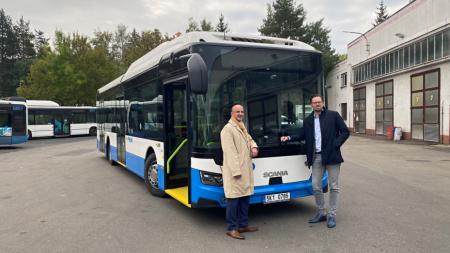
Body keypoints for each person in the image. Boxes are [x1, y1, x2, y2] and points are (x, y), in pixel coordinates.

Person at [281, 94, 349, 228]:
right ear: (311, 105)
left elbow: (345, 132)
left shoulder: (333, 115)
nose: (317, 104)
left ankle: (332, 215)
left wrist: (336, 145)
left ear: (323, 103)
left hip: (332, 156)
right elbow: (301, 135)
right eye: (314, 102)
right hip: (316, 157)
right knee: (316, 186)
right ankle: (322, 212)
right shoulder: (308, 120)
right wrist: (288, 137)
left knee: (334, 186)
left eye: (319, 102)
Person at [220, 103, 259, 240]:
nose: (240, 114)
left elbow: (250, 139)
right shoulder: (228, 129)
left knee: (244, 198)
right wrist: (237, 172)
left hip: (245, 170)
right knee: (233, 200)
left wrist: (254, 147)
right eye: (237, 112)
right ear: (232, 113)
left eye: (242, 111)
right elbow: (230, 153)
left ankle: (243, 225)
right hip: (236, 173)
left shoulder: (242, 127)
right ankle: (231, 228)